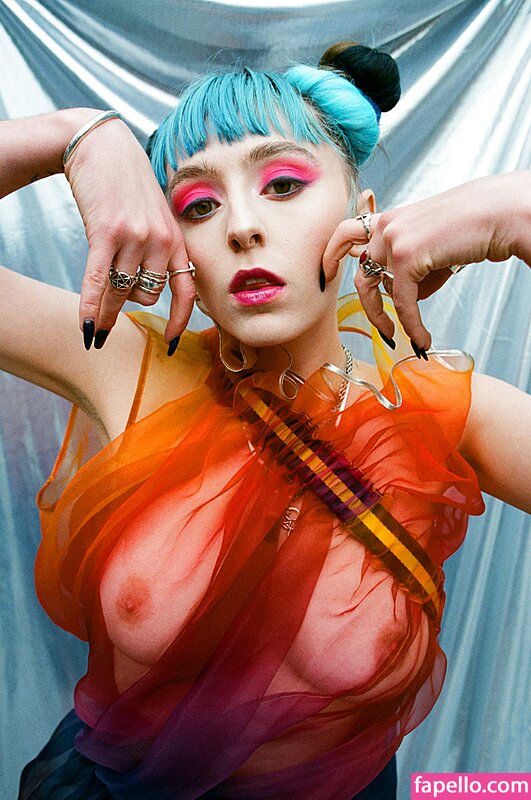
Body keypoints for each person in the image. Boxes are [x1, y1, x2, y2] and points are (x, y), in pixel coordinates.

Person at [0, 41, 529, 800]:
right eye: (198, 205)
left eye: (282, 184)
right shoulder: (127, 366)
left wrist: (520, 211)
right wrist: (75, 135)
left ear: (363, 214)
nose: (241, 227)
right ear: (173, 244)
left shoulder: (440, 410)